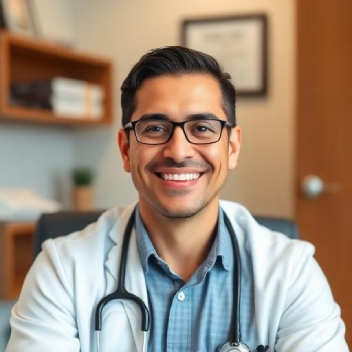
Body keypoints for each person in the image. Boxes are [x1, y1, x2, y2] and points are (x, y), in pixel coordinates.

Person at [7, 47, 348, 352]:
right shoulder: (62, 270)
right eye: (155, 128)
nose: (178, 151)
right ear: (126, 149)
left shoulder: (291, 272)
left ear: (232, 146)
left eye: (202, 127)